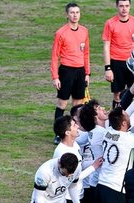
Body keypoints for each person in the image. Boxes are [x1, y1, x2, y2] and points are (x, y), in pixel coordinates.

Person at [51, 2, 90, 145]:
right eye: (72, 12)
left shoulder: (84, 31)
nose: (75, 15)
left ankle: (75, 132)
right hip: (66, 71)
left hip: (80, 71)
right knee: (62, 103)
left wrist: (87, 73)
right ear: (67, 15)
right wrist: (55, 77)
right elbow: (55, 56)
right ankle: (59, 133)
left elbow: (86, 53)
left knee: (77, 105)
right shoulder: (61, 33)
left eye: (77, 12)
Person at [102, 0, 134, 108]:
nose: (124, 9)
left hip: (133, 62)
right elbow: (106, 46)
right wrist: (108, 68)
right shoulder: (110, 23)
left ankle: (131, 119)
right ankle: (115, 120)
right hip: (117, 63)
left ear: (130, 6)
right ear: (117, 6)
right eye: (121, 6)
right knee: (117, 95)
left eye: (126, 6)